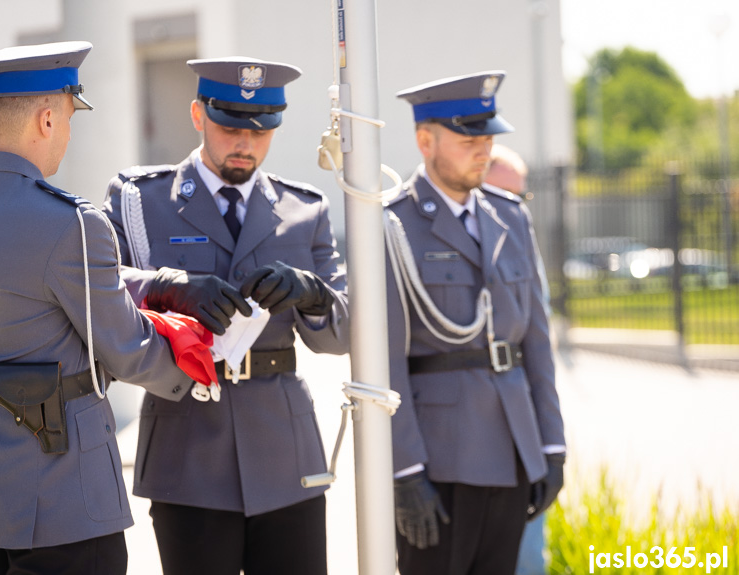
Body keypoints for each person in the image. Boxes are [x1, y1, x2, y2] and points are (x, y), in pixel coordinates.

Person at [0, 42, 196, 575]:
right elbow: (126, 351)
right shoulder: (71, 224)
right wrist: (203, 364)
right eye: (66, 118)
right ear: (45, 119)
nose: (66, 132)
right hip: (60, 500)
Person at [101, 56, 349, 575]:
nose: (246, 141)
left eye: (263, 129)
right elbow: (97, 288)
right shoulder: (139, 201)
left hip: (285, 451)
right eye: (231, 125)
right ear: (197, 115)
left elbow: (343, 332)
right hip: (187, 443)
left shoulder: (304, 210)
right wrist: (169, 288)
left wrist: (311, 294)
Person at [383, 71, 566, 574]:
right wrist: (405, 470)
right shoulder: (392, 225)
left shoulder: (510, 217)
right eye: (469, 139)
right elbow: (385, 363)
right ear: (425, 140)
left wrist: (552, 443)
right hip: (440, 456)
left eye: (488, 138)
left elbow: (536, 340)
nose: (483, 150)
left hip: (512, 443)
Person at [484, 144, 549, 575]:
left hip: (522, 415)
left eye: (520, 197)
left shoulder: (522, 239)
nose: (513, 206)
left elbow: (540, 341)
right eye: (502, 193)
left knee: (527, 557)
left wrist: (551, 439)